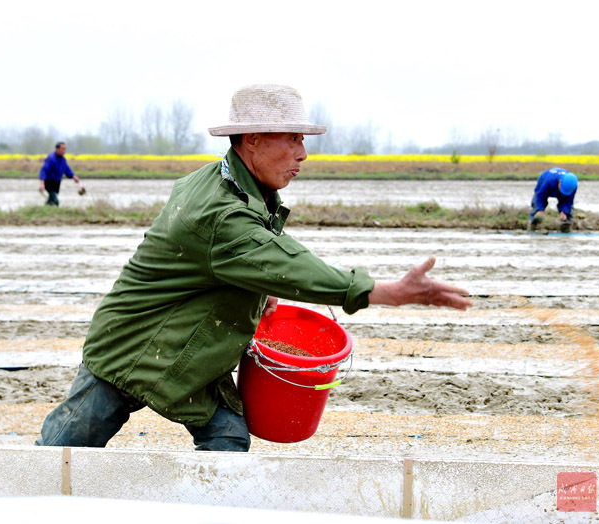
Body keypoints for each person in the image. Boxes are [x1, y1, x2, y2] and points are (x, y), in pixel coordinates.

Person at [35, 84, 472, 452]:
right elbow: (289, 264)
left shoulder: (227, 182)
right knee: (54, 463)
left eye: (303, 139)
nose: (303, 153)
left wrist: (260, 290)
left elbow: (244, 259)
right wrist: (388, 291)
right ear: (253, 140)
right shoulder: (220, 212)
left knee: (226, 438)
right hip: (131, 349)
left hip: (190, 357)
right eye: (292, 139)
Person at [528, 167, 578, 233]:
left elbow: (569, 201)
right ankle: (532, 227)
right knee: (537, 209)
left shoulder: (572, 186)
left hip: (561, 188)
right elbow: (540, 197)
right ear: (559, 182)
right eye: (562, 190)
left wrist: (564, 212)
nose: (562, 193)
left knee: (569, 210)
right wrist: (540, 210)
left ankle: (566, 229)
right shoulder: (549, 181)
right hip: (544, 180)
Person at [38, 141, 85, 206]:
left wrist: (74, 176)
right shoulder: (51, 158)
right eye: (62, 149)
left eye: (65, 149)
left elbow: (67, 170)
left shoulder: (63, 160)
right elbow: (44, 170)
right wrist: (42, 183)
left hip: (57, 182)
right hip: (49, 182)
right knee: (55, 201)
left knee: (50, 200)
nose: (64, 151)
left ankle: (43, 209)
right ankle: (56, 212)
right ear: (57, 149)